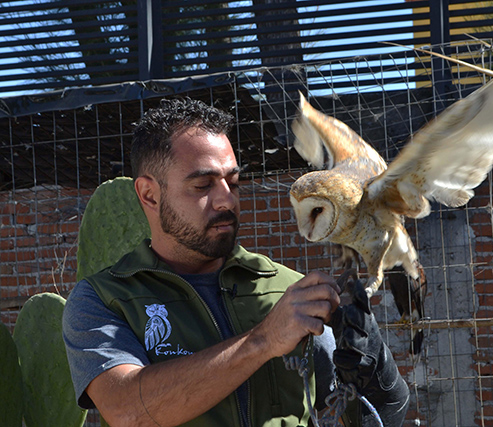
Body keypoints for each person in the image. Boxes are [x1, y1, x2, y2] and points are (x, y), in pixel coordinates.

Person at [62, 97, 409, 427]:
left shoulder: (288, 291)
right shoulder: (104, 300)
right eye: (203, 185)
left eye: (233, 181)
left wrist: (375, 375)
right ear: (149, 195)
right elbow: (128, 412)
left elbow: (376, 411)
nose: (227, 200)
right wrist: (262, 341)